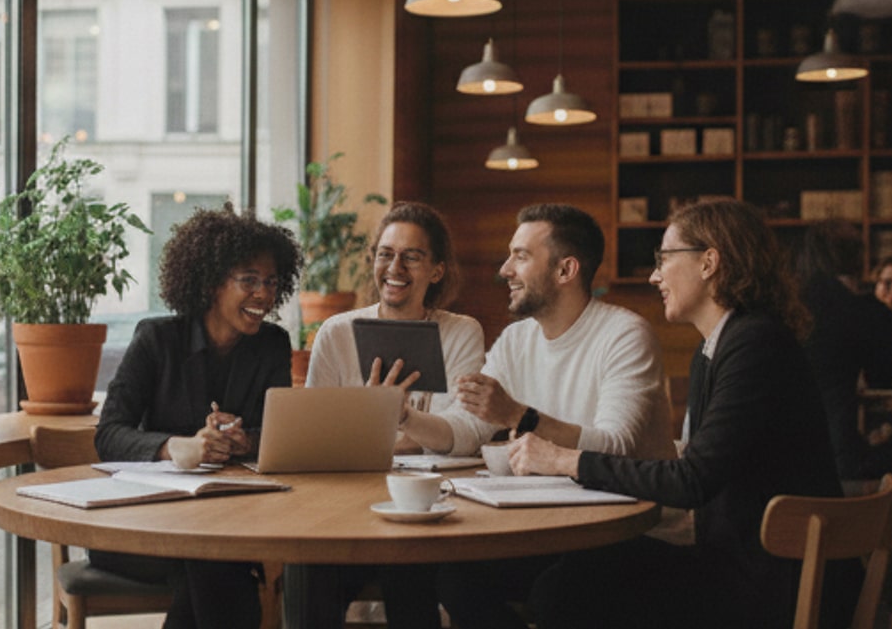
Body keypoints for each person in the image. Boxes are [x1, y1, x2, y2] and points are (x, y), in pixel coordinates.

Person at [518, 198, 858, 629]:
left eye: (664, 258)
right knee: (568, 579)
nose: (654, 275)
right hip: (747, 563)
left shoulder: (755, 345)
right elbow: (700, 461)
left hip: (777, 582)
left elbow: (693, 480)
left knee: (566, 595)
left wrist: (565, 459)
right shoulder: (717, 347)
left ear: (709, 262)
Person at [397, 203, 673, 629]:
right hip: (550, 524)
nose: (505, 268)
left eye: (521, 256)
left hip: (631, 529)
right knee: (456, 578)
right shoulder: (516, 339)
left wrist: (519, 415)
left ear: (566, 270)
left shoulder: (624, 335)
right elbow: (468, 427)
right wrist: (404, 418)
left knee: (557, 596)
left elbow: (618, 447)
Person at [94, 202, 302, 629]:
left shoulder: (272, 345)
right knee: (217, 565)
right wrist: (176, 448)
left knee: (210, 562)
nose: (263, 294)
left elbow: (279, 434)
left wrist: (248, 442)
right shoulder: (156, 340)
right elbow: (109, 433)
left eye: (270, 282)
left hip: (229, 522)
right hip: (141, 524)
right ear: (210, 283)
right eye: (249, 280)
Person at [285, 200, 485, 629]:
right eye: (385, 253)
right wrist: (413, 433)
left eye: (412, 256)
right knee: (307, 566)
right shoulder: (337, 332)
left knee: (408, 566)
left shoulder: (460, 332)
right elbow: (319, 434)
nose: (395, 267)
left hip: (426, 503)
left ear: (436, 270)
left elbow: (465, 434)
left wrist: (404, 419)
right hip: (344, 503)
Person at [797, 222, 892, 480]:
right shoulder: (864, 311)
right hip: (837, 455)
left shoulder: (786, 304)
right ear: (860, 257)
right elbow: (887, 381)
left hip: (780, 454)